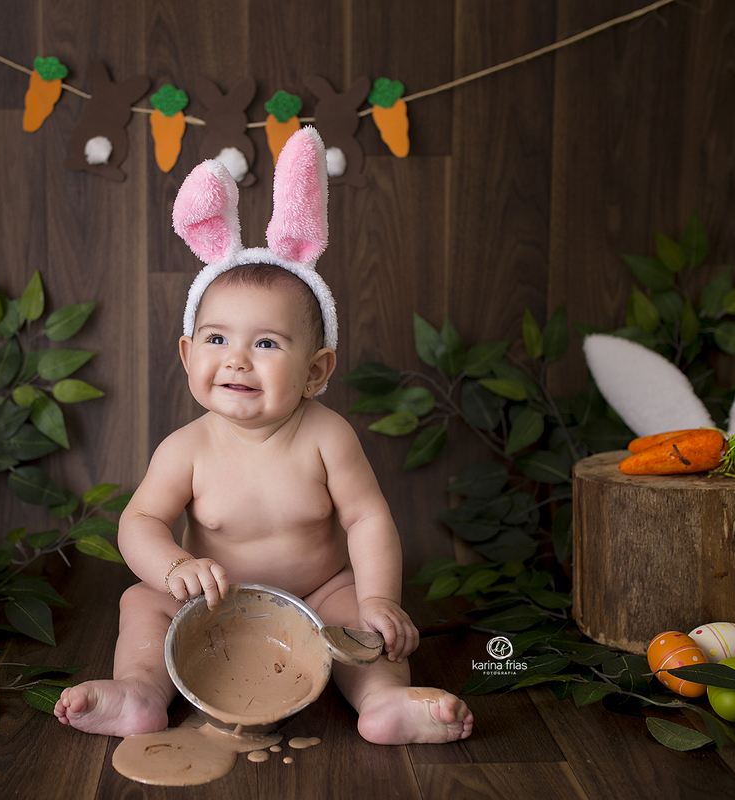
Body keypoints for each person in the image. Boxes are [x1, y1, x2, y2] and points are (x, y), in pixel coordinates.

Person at [54, 128, 473, 745]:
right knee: (141, 604)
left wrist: (380, 598)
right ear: (187, 353)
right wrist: (175, 568)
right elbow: (138, 522)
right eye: (217, 339)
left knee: (362, 622)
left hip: (317, 593)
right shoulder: (186, 448)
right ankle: (141, 694)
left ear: (316, 371)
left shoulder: (329, 438)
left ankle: (383, 704)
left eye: (268, 343)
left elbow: (367, 520)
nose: (238, 360)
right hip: (210, 605)